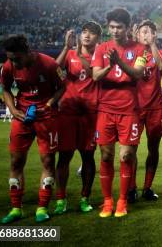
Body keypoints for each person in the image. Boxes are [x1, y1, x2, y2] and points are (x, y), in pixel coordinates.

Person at [0, 35, 65, 223]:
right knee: (16, 161)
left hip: (46, 116)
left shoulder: (49, 64)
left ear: (27, 51)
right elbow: (4, 88)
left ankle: (42, 207)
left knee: (47, 160)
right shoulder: (8, 66)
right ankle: (15, 209)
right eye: (10, 58)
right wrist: (12, 109)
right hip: (22, 116)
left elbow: (62, 87)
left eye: (16, 58)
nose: (13, 62)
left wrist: (51, 102)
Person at [92, 7, 148, 218]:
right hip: (105, 109)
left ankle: (122, 201)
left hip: (129, 111)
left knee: (126, 156)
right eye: (112, 27)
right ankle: (108, 201)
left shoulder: (140, 49)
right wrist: (109, 66)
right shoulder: (101, 48)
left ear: (127, 28)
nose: (115, 31)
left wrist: (119, 62)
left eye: (119, 27)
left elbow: (137, 74)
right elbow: (96, 76)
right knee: (106, 156)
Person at [53, 22, 101, 215]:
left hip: (90, 113)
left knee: (88, 156)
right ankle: (60, 200)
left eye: (92, 33)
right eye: (84, 32)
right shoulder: (70, 55)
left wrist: (81, 56)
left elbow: (96, 77)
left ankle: (84, 198)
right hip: (68, 112)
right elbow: (52, 68)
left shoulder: (101, 56)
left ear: (98, 37)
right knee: (64, 156)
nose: (87, 36)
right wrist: (66, 47)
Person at [130, 20, 162, 201]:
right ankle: (131, 188)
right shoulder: (131, 53)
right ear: (136, 34)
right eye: (143, 31)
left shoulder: (158, 53)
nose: (146, 34)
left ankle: (147, 187)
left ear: (155, 35)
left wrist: (152, 45)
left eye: (150, 32)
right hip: (134, 108)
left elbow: (160, 67)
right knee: (131, 150)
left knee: (154, 149)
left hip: (155, 108)